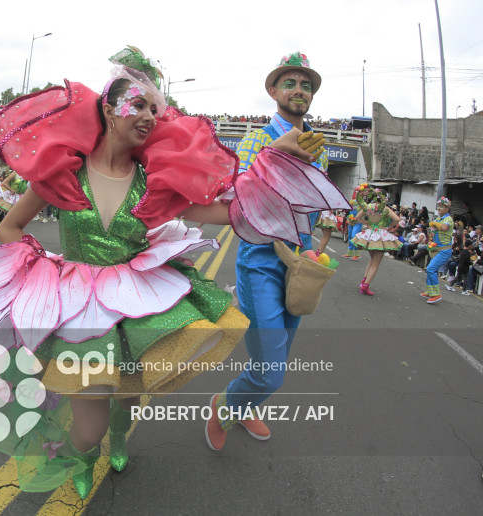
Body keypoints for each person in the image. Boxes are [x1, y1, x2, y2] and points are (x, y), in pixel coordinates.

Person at [0, 47, 347, 499]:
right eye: (137, 105)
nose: (148, 117)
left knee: (128, 395)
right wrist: (41, 271)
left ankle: (120, 438)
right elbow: (10, 226)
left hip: (134, 305)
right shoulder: (65, 172)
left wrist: (272, 156)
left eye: (155, 111)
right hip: (79, 310)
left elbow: (234, 211)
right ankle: (86, 455)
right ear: (108, 108)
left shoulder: (153, 183)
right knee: (88, 428)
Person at [205, 51, 345, 451]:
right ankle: (225, 404)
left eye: (306, 85)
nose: (299, 90)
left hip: (301, 263)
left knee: (275, 355)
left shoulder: (317, 145)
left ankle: (244, 404)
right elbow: (235, 197)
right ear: (273, 91)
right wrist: (277, 155)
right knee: (271, 372)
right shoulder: (257, 139)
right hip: (261, 261)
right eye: (290, 83)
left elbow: (313, 203)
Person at [349, 186, 401, 295]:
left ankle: (364, 281)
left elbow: (357, 218)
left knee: (372, 260)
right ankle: (365, 285)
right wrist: (390, 226)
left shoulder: (369, 206)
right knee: (375, 263)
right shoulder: (385, 208)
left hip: (370, 234)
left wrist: (367, 223)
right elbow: (397, 219)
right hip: (381, 235)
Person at [422, 197, 454, 303]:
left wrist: (434, 223)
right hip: (436, 248)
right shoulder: (439, 218)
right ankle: (430, 291)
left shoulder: (448, 219)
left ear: (447, 209)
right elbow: (432, 230)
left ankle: (436, 294)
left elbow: (444, 228)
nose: (439, 208)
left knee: (431, 268)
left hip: (444, 250)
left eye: (442, 207)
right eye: (439, 206)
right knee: (431, 269)